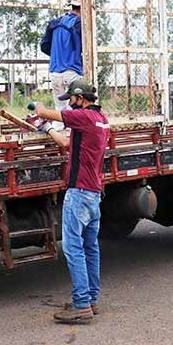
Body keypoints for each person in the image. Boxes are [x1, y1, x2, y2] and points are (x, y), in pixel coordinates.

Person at [32, 78, 110, 325]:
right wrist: (47, 129)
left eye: (72, 100)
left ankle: (81, 305)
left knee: (73, 247)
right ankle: (90, 299)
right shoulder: (101, 119)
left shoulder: (83, 117)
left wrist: (38, 109)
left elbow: (46, 111)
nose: (71, 104)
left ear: (80, 98)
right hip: (94, 191)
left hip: (79, 192)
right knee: (90, 246)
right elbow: (66, 142)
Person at [47, 0, 85, 117]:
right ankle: (75, 133)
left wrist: (58, 55)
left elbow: (44, 45)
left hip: (54, 72)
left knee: (60, 108)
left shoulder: (56, 22)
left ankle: (58, 132)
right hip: (72, 72)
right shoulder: (79, 23)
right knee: (79, 107)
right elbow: (86, 47)